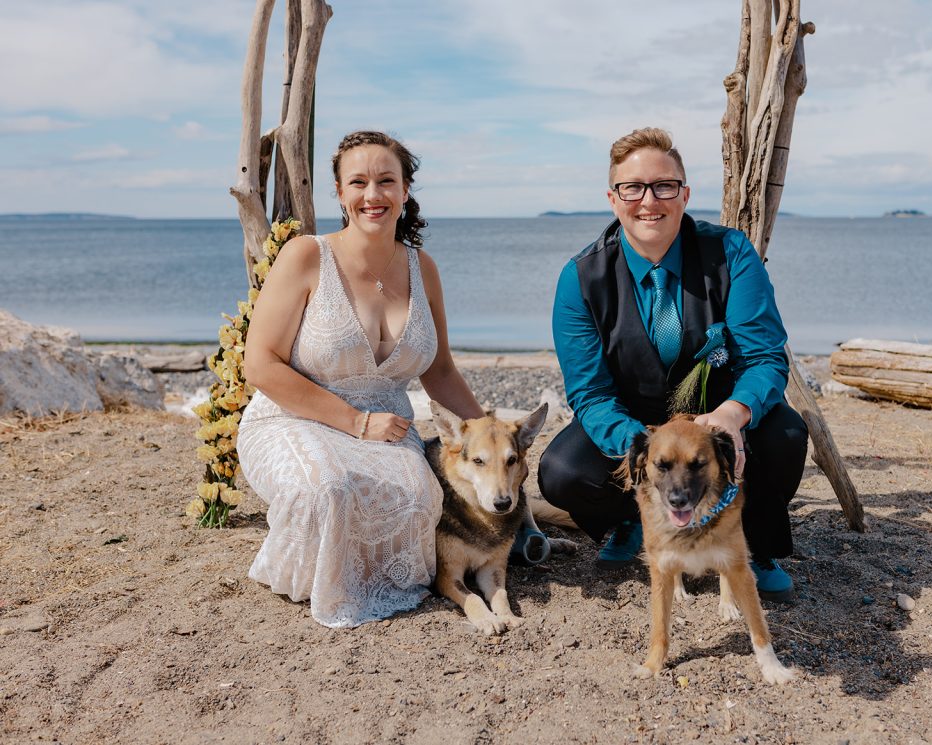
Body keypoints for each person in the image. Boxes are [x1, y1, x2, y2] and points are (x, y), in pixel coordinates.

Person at [538, 127, 808, 601]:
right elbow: (591, 395)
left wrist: (733, 414)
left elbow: (765, 358)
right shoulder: (580, 279)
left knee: (786, 433)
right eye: (633, 188)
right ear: (613, 198)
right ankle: (630, 522)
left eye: (664, 186)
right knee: (562, 470)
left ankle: (754, 542)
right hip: (634, 423)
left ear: (684, 194)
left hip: (717, 420)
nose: (649, 201)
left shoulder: (732, 254)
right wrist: (644, 444)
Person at [237, 130, 486, 627]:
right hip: (290, 418)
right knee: (326, 489)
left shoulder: (424, 269)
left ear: (406, 189)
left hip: (388, 428)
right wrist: (355, 421)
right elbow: (260, 364)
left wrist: (492, 437)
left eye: (386, 181)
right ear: (339, 192)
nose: (373, 195)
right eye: (359, 182)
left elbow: (439, 371)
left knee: (420, 499)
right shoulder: (306, 256)